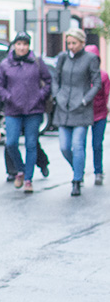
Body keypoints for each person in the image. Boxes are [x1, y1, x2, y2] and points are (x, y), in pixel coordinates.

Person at [0, 31, 52, 193]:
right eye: (19, 44)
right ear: (14, 45)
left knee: (31, 144)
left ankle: (28, 179)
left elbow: (48, 81)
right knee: (11, 143)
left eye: (25, 44)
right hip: (13, 109)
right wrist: (8, 97)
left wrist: (40, 96)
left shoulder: (37, 62)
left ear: (28, 46)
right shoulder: (5, 64)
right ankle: (21, 169)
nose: (22, 47)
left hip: (34, 110)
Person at [52, 28, 101, 196]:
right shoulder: (62, 57)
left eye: (74, 43)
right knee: (64, 146)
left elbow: (97, 83)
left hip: (81, 108)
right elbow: (55, 79)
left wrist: (85, 99)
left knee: (78, 144)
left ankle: (77, 180)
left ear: (82, 43)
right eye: (68, 43)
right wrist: (56, 95)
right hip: (63, 107)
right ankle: (78, 168)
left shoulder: (90, 59)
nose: (71, 46)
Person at [85, 44, 109, 185]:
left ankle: (98, 172)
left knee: (97, 144)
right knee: (79, 144)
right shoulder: (81, 75)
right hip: (83, 114)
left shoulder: (103, 76)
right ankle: (78, 172)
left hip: (100, 114)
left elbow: (106, 95)